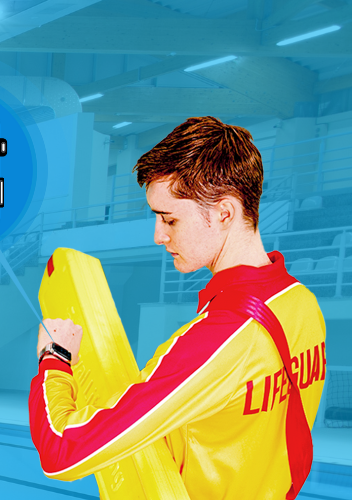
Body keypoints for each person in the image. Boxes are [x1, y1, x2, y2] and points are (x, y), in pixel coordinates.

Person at [29, 116, 327, 499]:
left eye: (169, 219)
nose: (159, 235)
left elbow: (62, 453)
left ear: (224, 213)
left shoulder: (218, 340)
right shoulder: (302, 303)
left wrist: (54, 360)